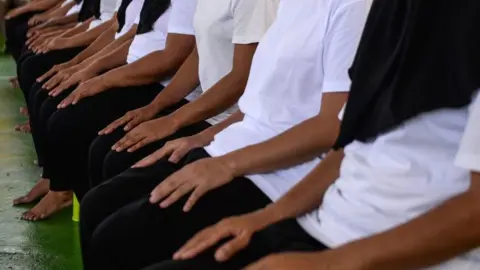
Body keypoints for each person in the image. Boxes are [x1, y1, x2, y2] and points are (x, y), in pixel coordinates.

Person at [138, 0, 480, 269]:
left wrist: (329, 263)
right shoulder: (392, 12)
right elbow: (349, 146)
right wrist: (263, 219)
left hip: (398, 250)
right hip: (327, 221)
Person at [79, 0, 370, 268]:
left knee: (115, 238)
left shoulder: (353, 8)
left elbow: (332, 126)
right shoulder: (292, 5)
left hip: (276, 173)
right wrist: (198, 139)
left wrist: (224, 163)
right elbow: (255, 104)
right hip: (232, 145)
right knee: (99, 205)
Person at [84, 0, 279, 190]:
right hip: (207, 112)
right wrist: (153, 107)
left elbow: (241, 77)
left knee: (118, 161)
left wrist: (172, 121)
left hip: (233, 122)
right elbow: (197, 55)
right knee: (106, 148)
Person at [12, 0, 142, 207]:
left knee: (60, 111)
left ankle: (64, 189)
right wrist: (78, 62)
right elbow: (118, 28)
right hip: (119, 58)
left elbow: (152, 48)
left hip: (138, 70)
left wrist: (85, 67)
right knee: (42, 87)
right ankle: (54, 178)